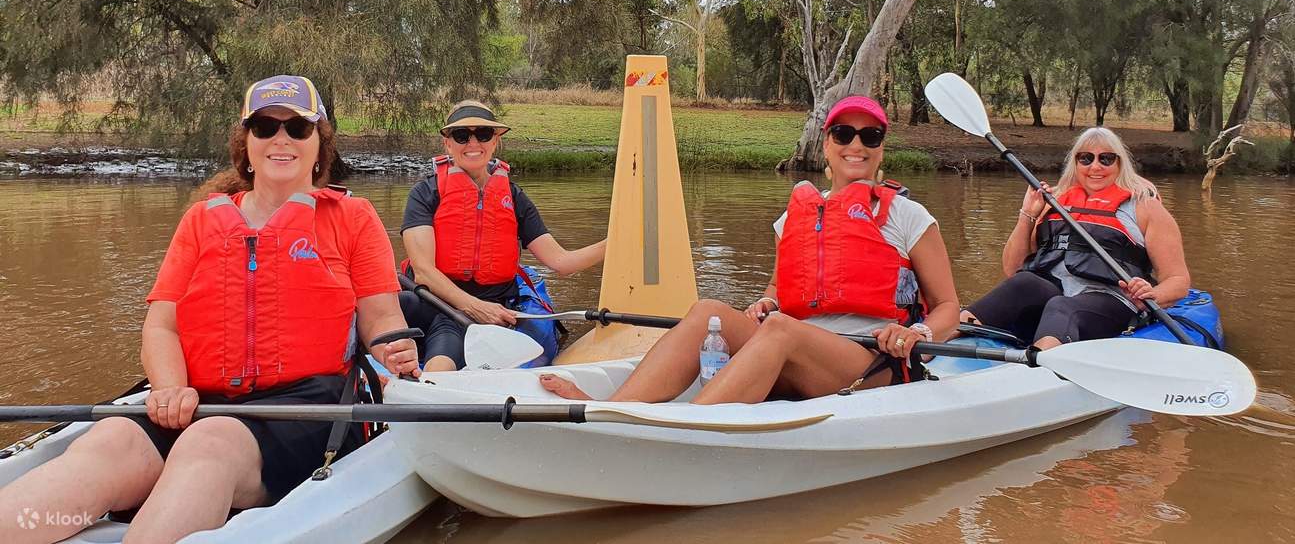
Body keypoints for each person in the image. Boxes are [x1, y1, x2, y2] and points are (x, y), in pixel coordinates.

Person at [0, 75, 421, 544]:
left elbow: (381, 318)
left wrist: (393, 348)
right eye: (265, 127)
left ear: (319, 146)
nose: (281, 138)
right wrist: (169, 388)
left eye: (298, 128)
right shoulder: (202, 220)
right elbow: (162, 325)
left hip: (304, 409)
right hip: (195, 400)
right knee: (108, 441)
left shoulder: (353, 218)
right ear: (246, 144)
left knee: (210, 441)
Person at [540, 95, 960, 404]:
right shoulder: (792, 218)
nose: (857, 144)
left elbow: (948, 307)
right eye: (843, 133)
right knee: (709, 313)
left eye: (870, 135)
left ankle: (687, 428)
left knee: (779, 330)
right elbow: (780, 289)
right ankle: (614, 411)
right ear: (826, 144)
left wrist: (916, 332)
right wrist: (765, 300)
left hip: (870, 364)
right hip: (796, 352)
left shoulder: (908, 216)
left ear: (881, 146)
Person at [400, 100, 608, 371]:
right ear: (448, 144)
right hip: (435, 302)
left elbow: (561, 262)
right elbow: (424, 272)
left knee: (452, 351)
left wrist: (615, 242)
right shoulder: (425, 193)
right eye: (462, 136)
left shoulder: (515, 197)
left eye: (483, 134)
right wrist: (475, 307)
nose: (473, 143)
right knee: (442, 351)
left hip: (492, 305)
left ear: (495, 140)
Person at [961, 126, 1190, 349]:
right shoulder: (1053, 203)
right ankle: (942, 341)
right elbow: (1013, 268)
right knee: (1023, 283)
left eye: (1106, 159)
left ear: (1120, 163)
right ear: (1075, 162)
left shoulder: (1145, 208)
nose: (1095, 166)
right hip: (1052, 293)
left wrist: (1153, 294)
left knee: (1062, 307)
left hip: (1109, 300)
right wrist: (1028, 214)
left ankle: (1042, 370)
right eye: (1086, 158)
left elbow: (1178, 280)